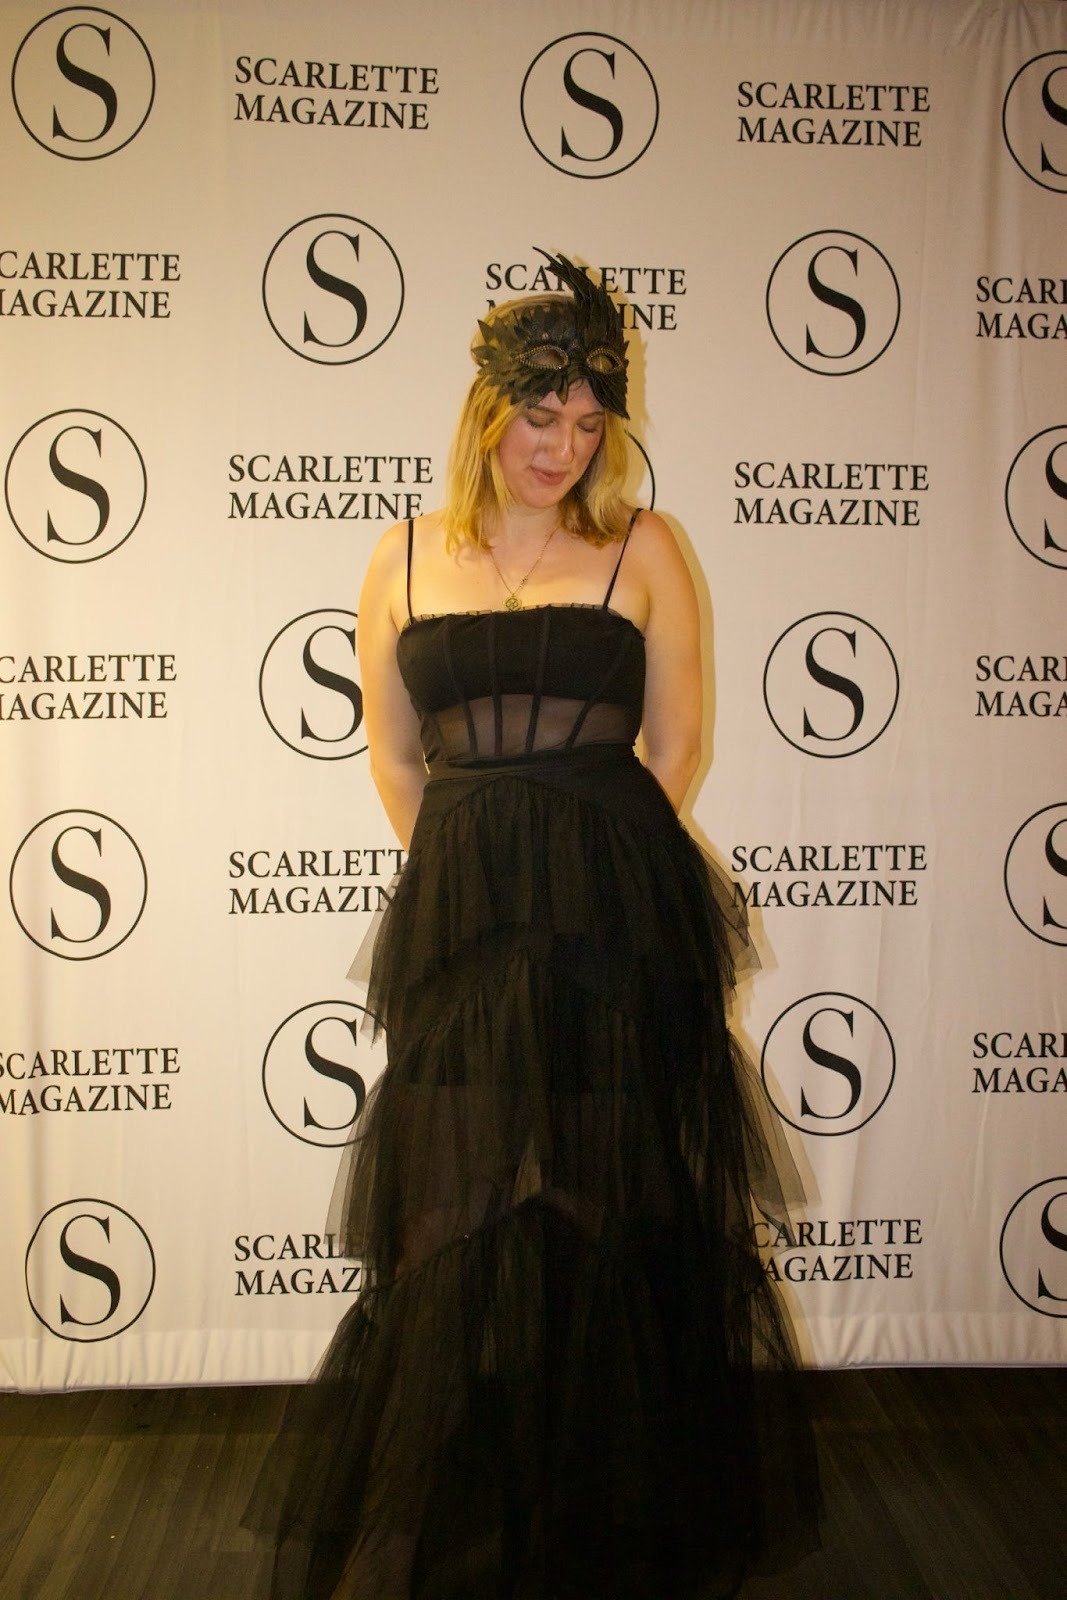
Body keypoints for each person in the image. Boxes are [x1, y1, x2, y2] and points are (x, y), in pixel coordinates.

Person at [252, 251, 820, 1600]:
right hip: (464, 934)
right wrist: (473, 880)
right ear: (487, 412)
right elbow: (395, 756)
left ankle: (610, 1517)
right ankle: (409, 1524)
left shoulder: (645, 546)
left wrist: (584, 875)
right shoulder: (400, 554)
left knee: (606, 1207)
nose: (563, 446)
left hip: (615, 931)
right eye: (541, 414)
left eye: (590, 421)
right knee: (443, 1218)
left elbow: (676, 748)